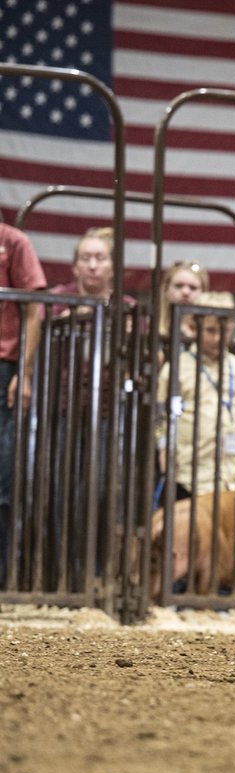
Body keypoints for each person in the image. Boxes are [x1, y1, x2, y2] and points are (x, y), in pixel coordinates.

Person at [156, 293, 235, 500]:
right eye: (210, 331)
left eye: (225, 331)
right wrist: (163, 445)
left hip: (231, 473)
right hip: (187, 473)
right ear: (195, 328)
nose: (218, 338)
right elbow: (161, 414)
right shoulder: (176, 368)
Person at [1, 219, 47, 587]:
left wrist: (25, 371)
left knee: (3, 478)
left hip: (5, 367)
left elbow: (34, 308)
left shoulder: (12, 242)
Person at [48, 227, 135, 318]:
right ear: (75, 267)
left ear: (113, 269)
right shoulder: (55, 301)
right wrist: (61, 322)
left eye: (100, 258)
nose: (92, 266)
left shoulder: (127, 306)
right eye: (85, 258)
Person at [157, 259, 210, 342]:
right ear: (165, 289)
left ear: (204, 291)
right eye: (179, 286)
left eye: (193, 288)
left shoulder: (213, 331)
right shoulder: (151, 326)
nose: (186, 292)